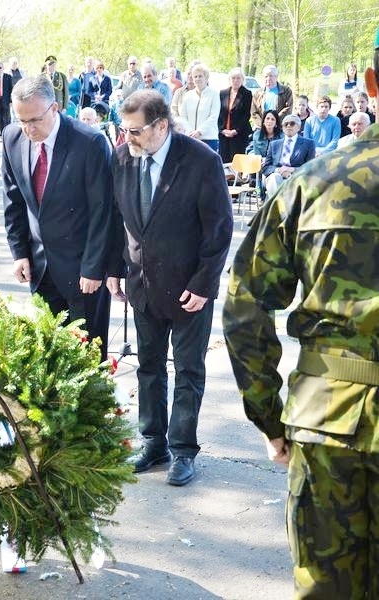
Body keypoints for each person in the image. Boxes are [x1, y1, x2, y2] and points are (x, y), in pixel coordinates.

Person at [222, 32, 379, 595]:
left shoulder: (317, 182)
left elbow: (243, 303)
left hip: (326, 421)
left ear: (370, 83)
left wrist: (269, 415)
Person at [106, 89, 233, 487]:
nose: (129, 138)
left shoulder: (200, 161)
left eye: (136, 130)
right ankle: (153, 443)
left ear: (161, 125)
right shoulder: (123, 157)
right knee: (148, 368)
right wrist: (113, 268)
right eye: (124, 129)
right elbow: (117, 218)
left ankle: (182, 450)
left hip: (189, 289)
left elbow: (219, 229)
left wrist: (204, 284)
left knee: (189, 370)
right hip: (142, 285)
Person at [2, 75, 113, 360]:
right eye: (21, 120)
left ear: (55, 108)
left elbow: (104, 211)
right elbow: (13, 201)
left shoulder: (89, 143)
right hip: (40, 269)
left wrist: (94, 267)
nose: (28, 129)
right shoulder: (12, 138)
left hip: (82, 271)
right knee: (48, 357)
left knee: (86, 357)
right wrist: (20, 253)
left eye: (35, 120)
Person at [262, 114, 315, 198]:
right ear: (282, 128)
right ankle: (279, 208)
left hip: (297, 176)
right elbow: (266, 168)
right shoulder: (274, 144)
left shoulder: (308, 144)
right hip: (276, 176)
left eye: (292, 123)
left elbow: (310, 167)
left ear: (298, 127)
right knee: (275, 178)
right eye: (286, 124)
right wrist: (279, 170)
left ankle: (279, 208)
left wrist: (292, 170)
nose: (289, 126)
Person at [180, 63, 220, 151]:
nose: (197, 79)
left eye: (200, 76)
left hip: (208, 138)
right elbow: (183, 116)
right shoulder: (188, 95)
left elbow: (213, 117)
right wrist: (190, 131)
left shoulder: (214, 94)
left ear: (206, 78)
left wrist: (199, 131)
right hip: (190, 138)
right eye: (195, 76)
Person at [218, 67, 253, 163]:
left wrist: (236, 130)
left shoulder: (247, 94)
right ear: (229, 79)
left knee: (236, 162)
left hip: (239, 134)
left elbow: (246, 115)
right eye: (233, 78)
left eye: (238, 78)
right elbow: (219, 113)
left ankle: (238, 178)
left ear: (242, 79)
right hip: (224, 133)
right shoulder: (222, 93)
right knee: (224, 160)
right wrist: (222, 130)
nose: (236, 80)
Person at [251, 64, 293, 129]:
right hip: (262, 129)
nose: (268, 78)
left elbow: (288, 109)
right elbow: (254, 112)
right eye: (266, 76)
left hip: (280, 128)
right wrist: (263, 125)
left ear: (276, 77)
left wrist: (274, 122)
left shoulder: (286, 91)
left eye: (271, 76)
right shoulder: (257, 94)